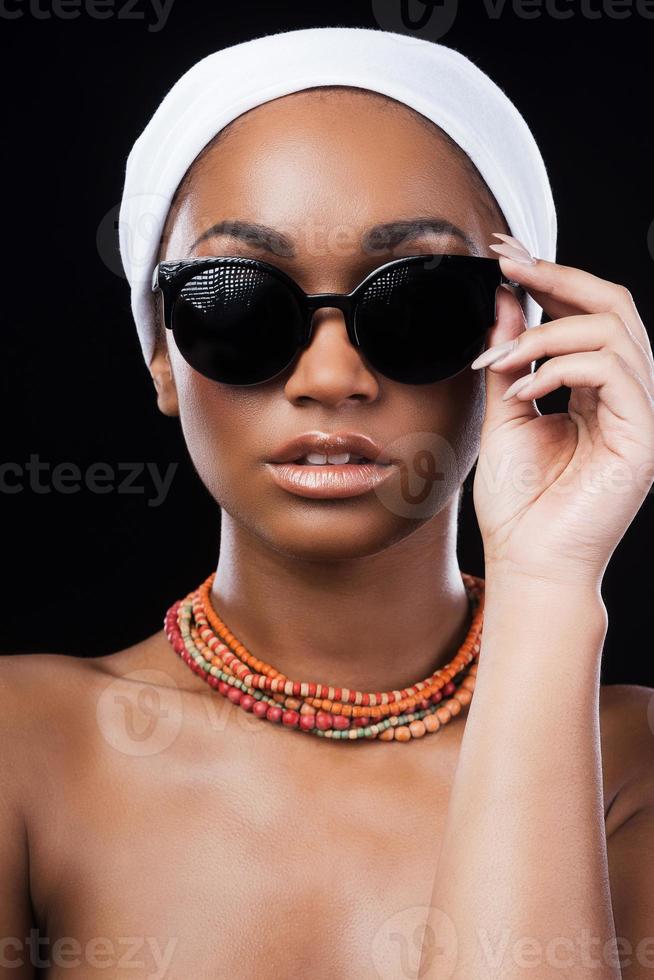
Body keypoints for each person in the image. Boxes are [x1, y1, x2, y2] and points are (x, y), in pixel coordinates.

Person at [1, 25, 653, 980]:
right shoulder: (26, 747)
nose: (334, 375)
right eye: (237, 302)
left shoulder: (629, 762)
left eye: (420, 298)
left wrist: (549, 586)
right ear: (160, 358)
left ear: (519, 334)